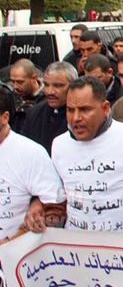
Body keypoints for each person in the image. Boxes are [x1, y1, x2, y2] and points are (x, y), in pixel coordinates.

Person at [51, 76, 123, 231]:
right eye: (70, 110)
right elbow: (55, 197)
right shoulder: (59, 145)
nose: (76, 118)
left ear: (105, 108)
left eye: (85, 109)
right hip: (75, 248)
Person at [0, 88, 65, 242]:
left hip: (14, 255)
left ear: (5, 117)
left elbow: (54, 203)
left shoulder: (30, 153)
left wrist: (15, 239)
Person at [21, 62, 78, 154]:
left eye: (58, 85)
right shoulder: (33, 114)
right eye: (46, 85)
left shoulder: (83, 116)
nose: (50, 92)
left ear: (73, 85)